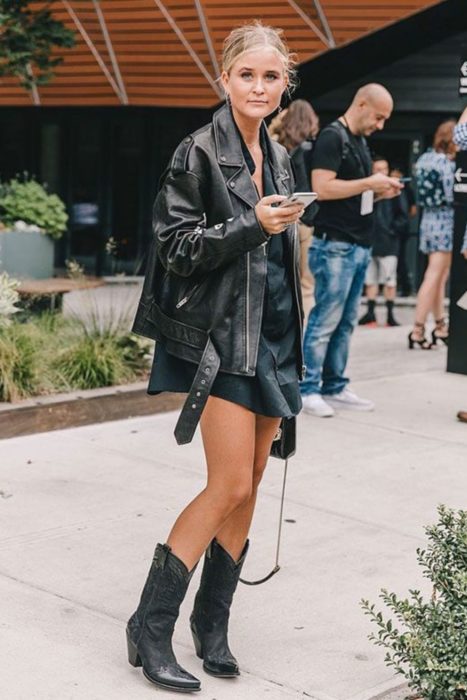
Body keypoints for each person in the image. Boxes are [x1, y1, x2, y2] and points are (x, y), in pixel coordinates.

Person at [127, 22, 305, 693]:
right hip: (221, 341)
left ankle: (212, 623)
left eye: (270, 76)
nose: (258, 87)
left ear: (285, 82)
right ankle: (150, 627)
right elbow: (175, 248)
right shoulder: (197, 151)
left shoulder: (279, 154)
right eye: (246, 75)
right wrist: (249, 225)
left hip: (274, 342)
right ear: (224, 78)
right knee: (227, 483)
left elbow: (279, 264)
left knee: (254, 478)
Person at [300, 83, 403, 418]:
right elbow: (322, 188)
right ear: (361, 104)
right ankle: (308, 388)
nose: (381, 125)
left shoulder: (357, 141)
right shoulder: (332, 136)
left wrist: (380, 191)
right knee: (325, 319)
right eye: (378, 117)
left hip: (356, 246)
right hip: (334, 246)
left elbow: (353, 193)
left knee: (345, 323)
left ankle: (334, 385)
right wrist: (369, 183)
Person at [409, 120, 456, 349]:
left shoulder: (424, 159)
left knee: (438, 277)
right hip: (445, 222)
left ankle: (439, 325)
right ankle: (417, 329)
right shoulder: (446, 164)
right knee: (435, 275)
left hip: (428, 220)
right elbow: (452, 194)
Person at [274, 98, 320, 320]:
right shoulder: (313, 149)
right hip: (306, 219)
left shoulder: (276, 147)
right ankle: (305, 341)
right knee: (307, 285)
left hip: (279, 218)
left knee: (283, 281)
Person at [359, 155, 408, 327]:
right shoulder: (367, 189)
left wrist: (392, 231)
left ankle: (390, 315)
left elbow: (403, 216)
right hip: (370, 240)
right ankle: (370, 313)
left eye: (383, 169)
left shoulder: (394, 191)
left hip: (388, 241)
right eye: (377, 169)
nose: (381, 173)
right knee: (370, 279)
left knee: (389, 280)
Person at [390, 164, 417, 296]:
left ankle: (405, 287)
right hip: (388, 229)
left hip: (400, 230)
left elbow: (413, 210)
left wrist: (401, 222)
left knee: (400, 259)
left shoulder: (406, 190)